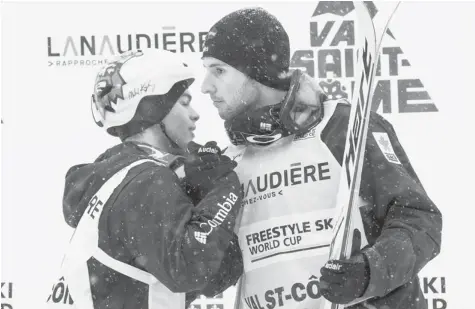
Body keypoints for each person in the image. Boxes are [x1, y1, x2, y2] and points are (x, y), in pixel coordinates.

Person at [200, 7, 442, 309]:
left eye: (218, 70)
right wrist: (197, 213)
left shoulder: (342, 127)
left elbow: (419, 220)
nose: (205, 86)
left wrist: (369, 271)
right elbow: (217, 275)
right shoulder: (233, 161)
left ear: (257, 70)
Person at [46, 48, 243, 309]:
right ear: (152, 109)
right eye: (184, 102)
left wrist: (201, 200)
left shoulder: (120, 177)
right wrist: (223, 185)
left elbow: (211, 279)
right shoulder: (145, 180)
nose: (195, 114)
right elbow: (189, 268)